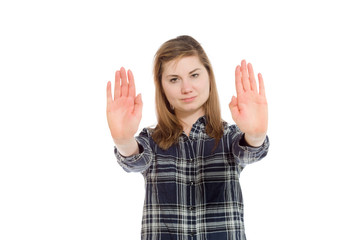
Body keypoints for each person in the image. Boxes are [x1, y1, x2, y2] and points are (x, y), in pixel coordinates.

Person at [106, 35, 269, 240]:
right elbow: (135, 160)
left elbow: (249, 152)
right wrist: (123, 140)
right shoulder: (152, 140)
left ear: (208, 76)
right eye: (174, 79)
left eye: (194, 75)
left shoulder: (229, 136)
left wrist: (255, 135)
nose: (186, 88)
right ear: (162, 87)